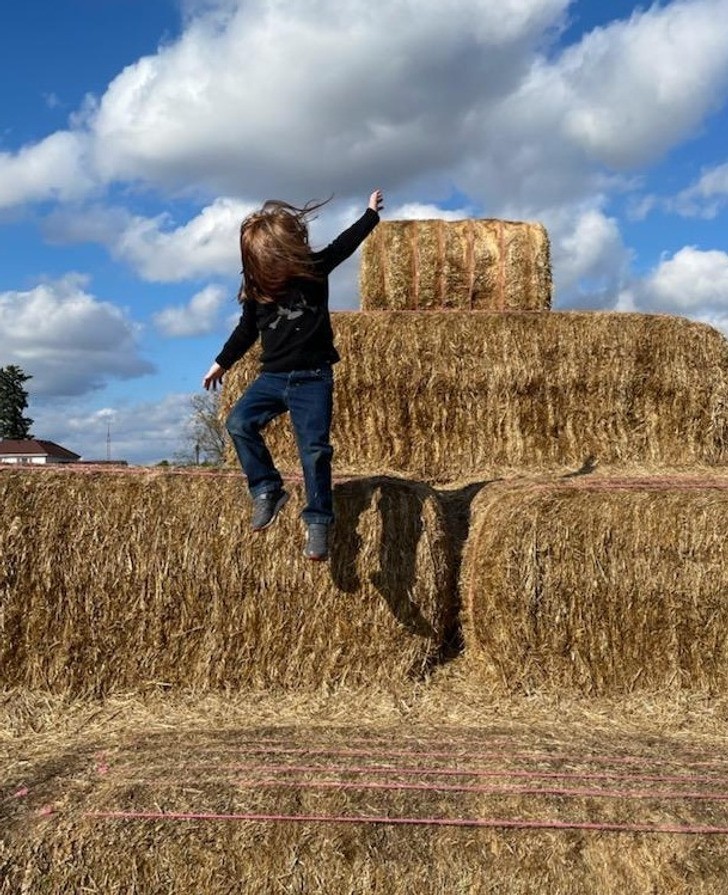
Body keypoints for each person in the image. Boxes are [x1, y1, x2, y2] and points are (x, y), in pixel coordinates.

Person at [203, 189, 383, 561]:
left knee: (314, 451)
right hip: (272, 378)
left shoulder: (314, 272)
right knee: (238, 423)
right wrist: (222, 361)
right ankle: (267, 488)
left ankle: (318, 519)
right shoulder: (258, 293)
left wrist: (370, 215)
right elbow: (246, 331)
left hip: (313, 378)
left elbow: (344, 245)